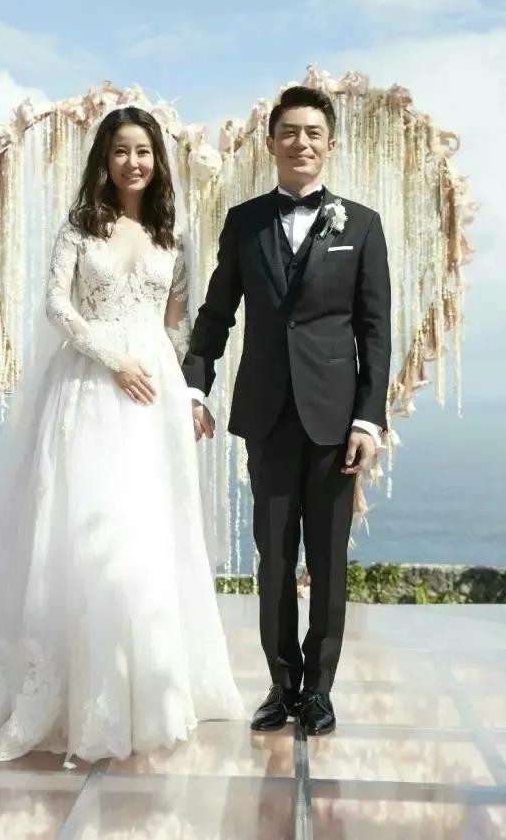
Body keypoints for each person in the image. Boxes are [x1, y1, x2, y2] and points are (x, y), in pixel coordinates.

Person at [0, 106, 243, 764]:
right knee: (83, 528)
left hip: (152, 397)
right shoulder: (80, 227)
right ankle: (78, 687)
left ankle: (147, 686)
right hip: (90, 390)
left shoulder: (173, 237)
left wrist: (185, 393)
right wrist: (112, 358)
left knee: (147, 529)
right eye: (120, 150)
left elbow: (177, 324)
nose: (133, 162)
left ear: (157, 161)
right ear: (104, 159)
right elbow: (56, 306)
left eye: (143, 151)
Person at [183, 85, 391, 735]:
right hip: (267, 415)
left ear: (330, 145)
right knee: (272, 557)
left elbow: (375, 331)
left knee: (327, 561)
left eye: (313, 133)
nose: (301, 143)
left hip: (335, 419)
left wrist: (368, 419)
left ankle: (319, 691)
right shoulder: (243, 222)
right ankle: (280, 686)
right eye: (289, 132)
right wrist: (194, 386)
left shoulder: (361, 225)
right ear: (271, 143)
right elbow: (216, 312)